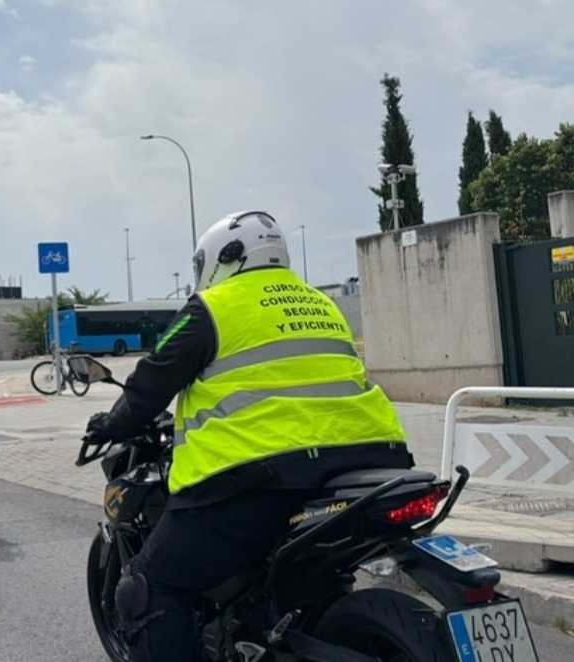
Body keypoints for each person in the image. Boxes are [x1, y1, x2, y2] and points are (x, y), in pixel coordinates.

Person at [85, 211, 413, 662]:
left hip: (255, 481)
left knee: (149, 588)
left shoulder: (213, 307)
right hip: (371, 464)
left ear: (224, 258)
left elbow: (151, 382)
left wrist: (110, 423)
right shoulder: (321, 303)